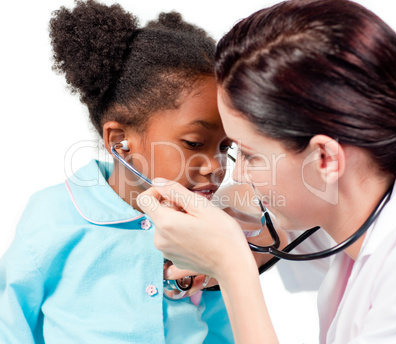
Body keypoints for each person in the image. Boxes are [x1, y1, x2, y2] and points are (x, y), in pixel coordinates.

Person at [138, 0, 396, 343]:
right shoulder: (358, 200)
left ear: (323, 158)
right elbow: (260, 208)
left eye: (249, 155)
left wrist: (231, 267)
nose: (239, 175)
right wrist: (231, 223)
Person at [0, 0, 238, 342]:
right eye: (194, 142)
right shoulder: (53, 218)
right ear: (120, 140)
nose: (216, 166)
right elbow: (10, 325)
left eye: (225, 147)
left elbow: (221, 330)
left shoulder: (204, 227)